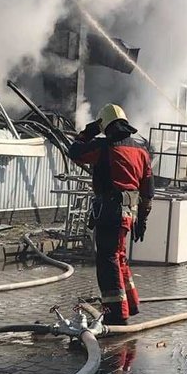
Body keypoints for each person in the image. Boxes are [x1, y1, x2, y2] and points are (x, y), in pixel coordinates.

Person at [68, 103, 154, 326]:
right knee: (119, 257)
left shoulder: (104, 146)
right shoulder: (142, 151)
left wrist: (88, 132)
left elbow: (74, 152)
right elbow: (148, 191)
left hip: (110, 212)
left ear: (105, 126)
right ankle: (130, 304)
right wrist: (142, 219)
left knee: (107, 260)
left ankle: (116, 312)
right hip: (130, 213)